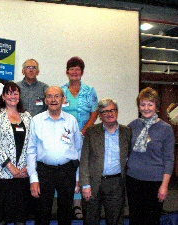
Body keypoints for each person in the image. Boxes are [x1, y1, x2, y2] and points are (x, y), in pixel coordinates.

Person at [27, 86, 82, 225]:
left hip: (67, 171)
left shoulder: (72, 121)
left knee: (65, 213)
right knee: (42, 213)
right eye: (50, 96)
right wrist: (33, 179)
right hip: (44, 171)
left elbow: (78, 149)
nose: (53, 99)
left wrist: (77, 177)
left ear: (63, 99)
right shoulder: (36, 121)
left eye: (57, 96)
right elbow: (31, 150)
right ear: (45, 100)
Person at [126, 87, 175, 225]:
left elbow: (169, 159)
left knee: (151, 220)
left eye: (150, 104)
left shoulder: (166, 129)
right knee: (135, 219)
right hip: (133, 180)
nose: (146, 108)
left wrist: (164, 186)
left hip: (155, 183)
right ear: (139, 106)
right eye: (143, 104)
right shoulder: (133, 126)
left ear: (156, 107)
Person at [79, 98, 131, 225]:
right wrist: (85, 185)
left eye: (112, 110)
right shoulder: (92, 131)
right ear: (100, 116)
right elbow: (84, 159)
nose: (110, 114)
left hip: (116, 183)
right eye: (105, 112)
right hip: (93, 182)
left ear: (117, 112)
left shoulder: (127, 132)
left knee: (115, 220)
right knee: (91, 219)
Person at [0, 82, 32, 225]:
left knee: (21, 216)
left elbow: (33, 143)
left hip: (23, 174)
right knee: (2, 217)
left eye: (16, 93)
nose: (13, 96)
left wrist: (26, 167)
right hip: (2, 174)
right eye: (9, 93)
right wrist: (11, 168)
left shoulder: (27, 116)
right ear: (3, 96)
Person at [61, 56, 98, 217]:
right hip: (65, 137)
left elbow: (95, 113)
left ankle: (77, 205)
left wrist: (83, 131)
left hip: (84, 136)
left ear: (82, 72)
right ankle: (64, 202)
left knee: (81, 168)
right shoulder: (61, 91)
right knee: (66, 168)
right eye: (72, 69)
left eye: (77, 69)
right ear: (67, 72)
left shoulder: (89, 91)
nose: (74, 72)